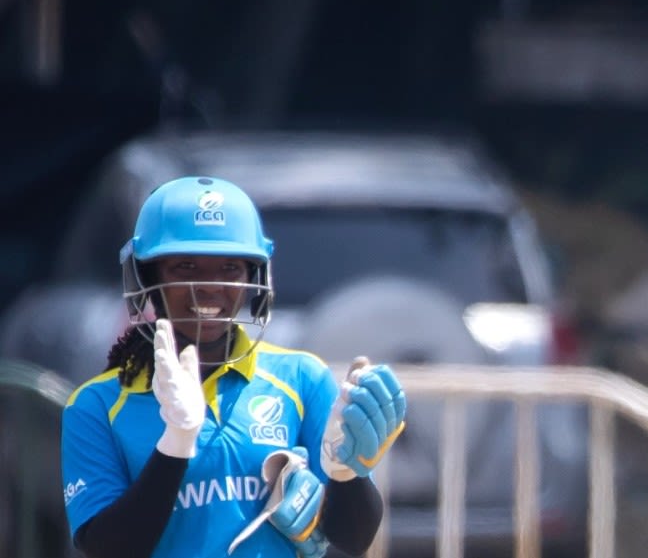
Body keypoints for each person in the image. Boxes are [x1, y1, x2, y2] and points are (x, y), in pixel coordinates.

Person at [60, 175, 408, 558]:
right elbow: (107, 549)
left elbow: (354, 540)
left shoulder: (302, 379)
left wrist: (347, 473)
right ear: (147, 276)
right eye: (186, 266)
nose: (210, 286)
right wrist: (175, 444)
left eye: (230, 267)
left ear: (254, 277)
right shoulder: (95, 405)